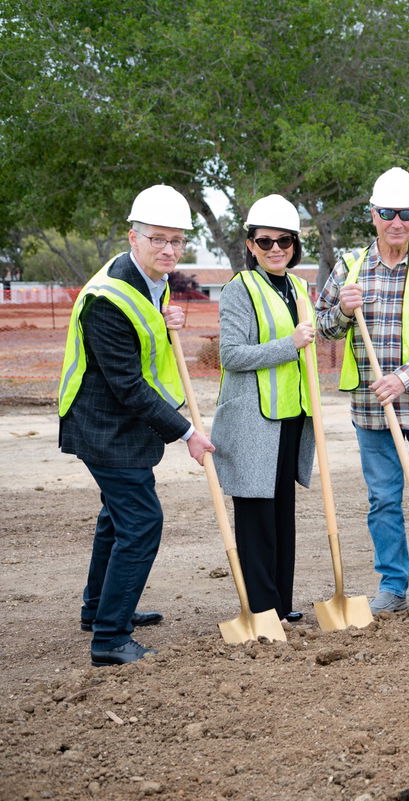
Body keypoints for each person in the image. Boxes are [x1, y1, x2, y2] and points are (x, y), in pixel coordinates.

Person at [58, 185, 215, 666]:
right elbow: (127, 384)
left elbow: (146, 338)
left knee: (116, 518)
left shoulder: (153, 278)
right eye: (159, 239)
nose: (169, 249)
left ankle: (97, 609)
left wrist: (168, 316)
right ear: (134, 237)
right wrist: (187, 432)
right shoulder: (106, 298)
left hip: (124, 424)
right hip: (103, 425)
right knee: (142, 523)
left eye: (177, 241)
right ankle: (109, 639)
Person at [315, 167, 409, 614]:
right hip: (372, 412)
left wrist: (403, 377)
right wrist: (341, 308)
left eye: (405, 213)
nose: (396, 222)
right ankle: (392, 585)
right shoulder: (350, 267)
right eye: (387, 213)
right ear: (372, 215)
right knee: (383, 501)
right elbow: (324, 326)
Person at [210, 194, 315, 624]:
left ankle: (281, 603)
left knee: (282, 514)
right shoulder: (239, 289)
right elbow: (231, 355)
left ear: (295, 245)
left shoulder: (299, 287)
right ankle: (261, 607)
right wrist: (287, 346)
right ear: (250, 244)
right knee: (256, 517)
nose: (276, 249)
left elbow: (319, 330)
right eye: (265, 241)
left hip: (290, 415)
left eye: (285, 242)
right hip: (253, 421)